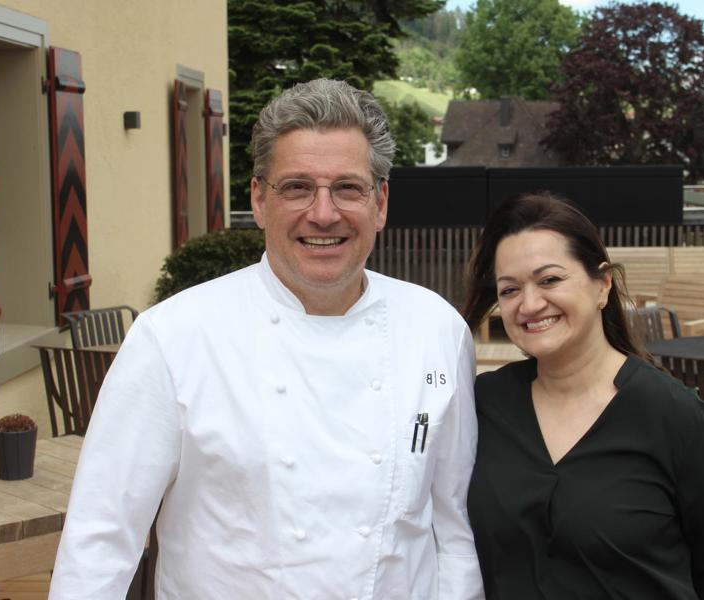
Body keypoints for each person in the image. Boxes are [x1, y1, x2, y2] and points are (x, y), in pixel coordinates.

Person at [49, 79, 484, 599]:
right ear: (258, 200)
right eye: (297, 187)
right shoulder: (173, 337)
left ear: (381, 203)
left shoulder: (437, 329)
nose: (323, 214)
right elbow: (101, 536)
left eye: (348, 188)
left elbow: (453, 527)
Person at [462, 193, 704, 599]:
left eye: (550, 279)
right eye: (510, 290)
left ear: (603, 284)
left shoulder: (680, 420)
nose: (530, 304)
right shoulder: (483, 405)